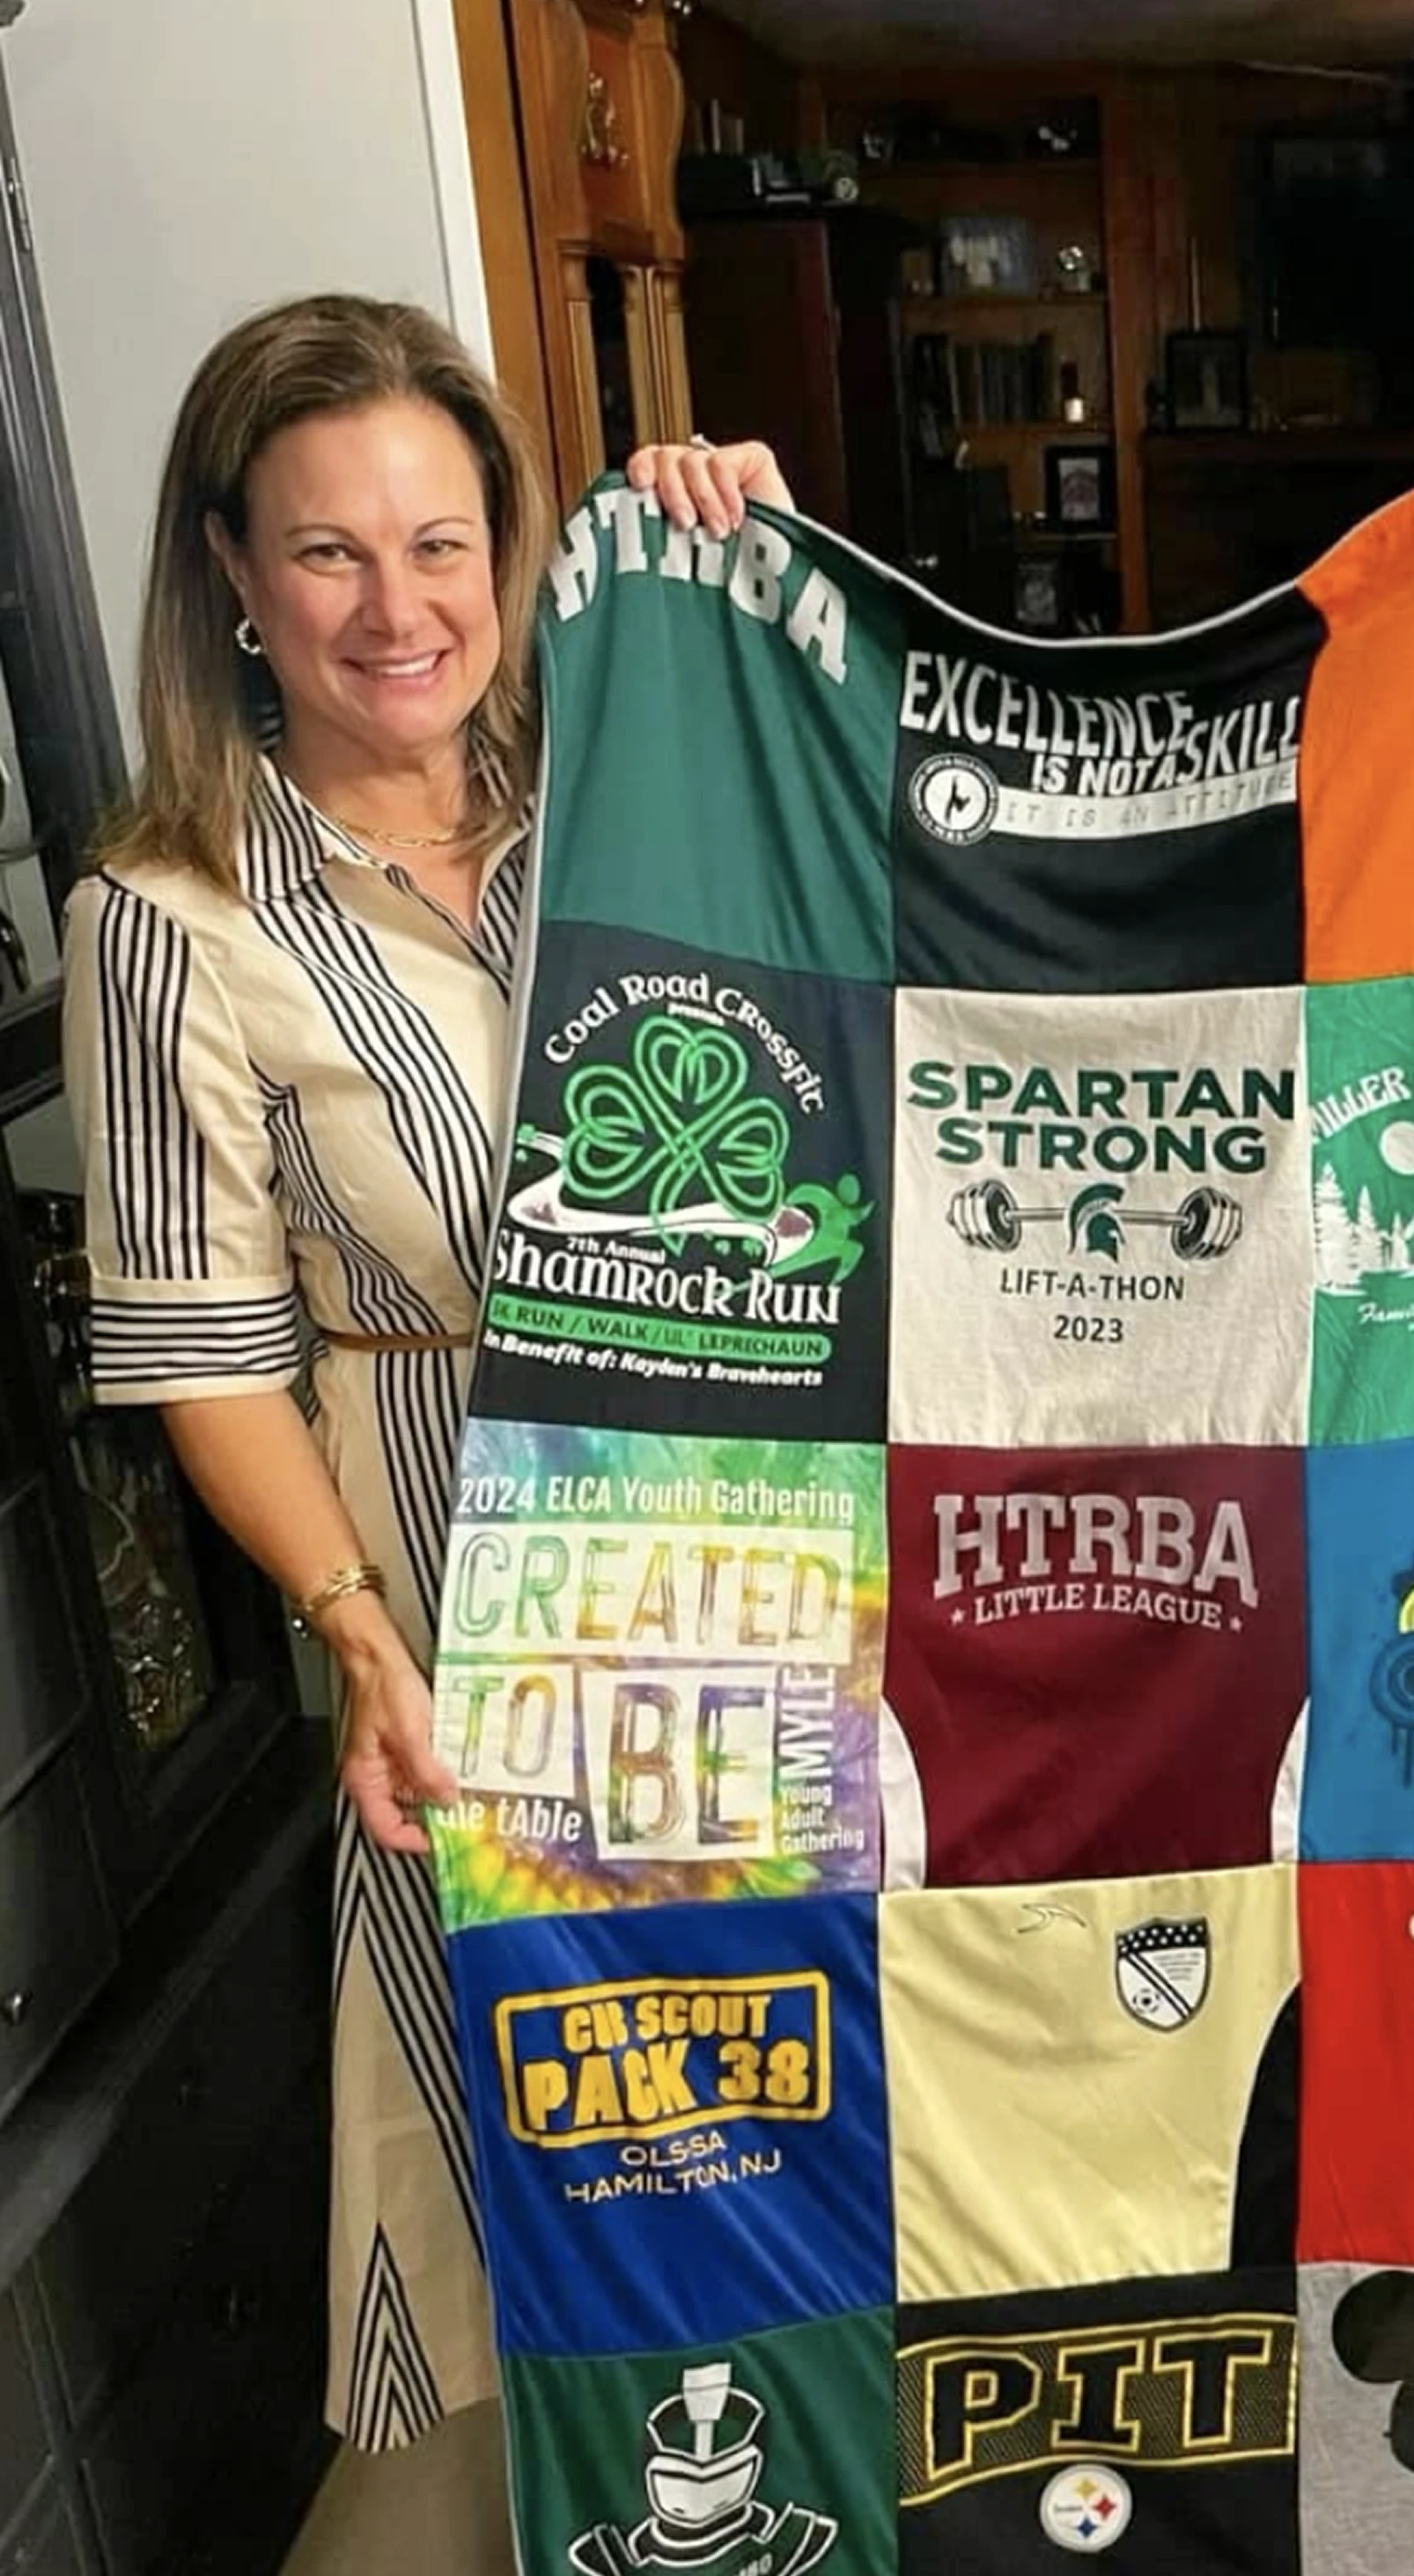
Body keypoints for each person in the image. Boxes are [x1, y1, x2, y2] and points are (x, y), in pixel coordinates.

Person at [60, 293, 791, 2455]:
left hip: (753, 1546)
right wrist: (361, 1641)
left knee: (782, 2072)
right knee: (537, 2104)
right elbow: (203, 1347)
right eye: (330, 553)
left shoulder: (645, 783)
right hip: (458, 1571)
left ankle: (805, 2519)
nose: (403, 610)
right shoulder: (168, 914)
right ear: (230, 574)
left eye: (445, 541)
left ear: (515, 549)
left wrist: (741, 581)